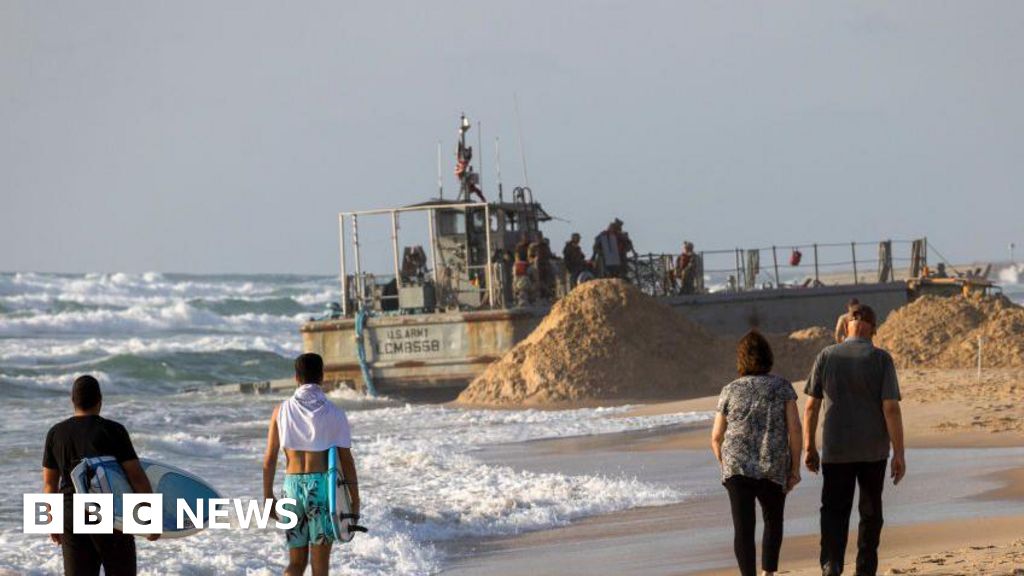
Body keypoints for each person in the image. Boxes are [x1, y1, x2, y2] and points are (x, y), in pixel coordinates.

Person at [804, 304, 905, 576]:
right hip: (873, 450)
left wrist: (809, 447)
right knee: (870, 511)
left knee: (833, 509)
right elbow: (891, 408)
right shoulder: (881, 359)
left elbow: (811, 406)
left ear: (846, 326)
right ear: (873, 329)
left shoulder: (826, 355)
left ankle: (831, 562)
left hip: (836, 448)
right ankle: (865, 569)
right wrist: (899, 453)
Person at [42, 375, 158, 576]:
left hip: (71, 513)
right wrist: (150, 519)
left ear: (72, 400)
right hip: (110, 513)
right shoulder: (113, 430)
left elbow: (49, 484)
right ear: (100, 400)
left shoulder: (56, 433)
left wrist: (51, 520)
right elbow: (136, 477)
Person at [711, 331, 803, 576]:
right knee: (773, 520)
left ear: (741, 359)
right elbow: (795, 429)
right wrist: (795, 468)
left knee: (743, 528)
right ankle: (768, 573)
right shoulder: (782, 387)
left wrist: (725, 463)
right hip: (772, 463)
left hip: (737, 465)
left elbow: (716, 436)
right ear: (768, 356)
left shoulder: (729, 390)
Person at [264, 353, 361, 576]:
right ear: (322, 376)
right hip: (322, 490)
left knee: (296, 563)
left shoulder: (280, 411)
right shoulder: (335, 413)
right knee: (319, 568)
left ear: (296, 377)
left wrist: (268, 496)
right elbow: (347, 461)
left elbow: (269, 459)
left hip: (291, 489)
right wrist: (355, 500)